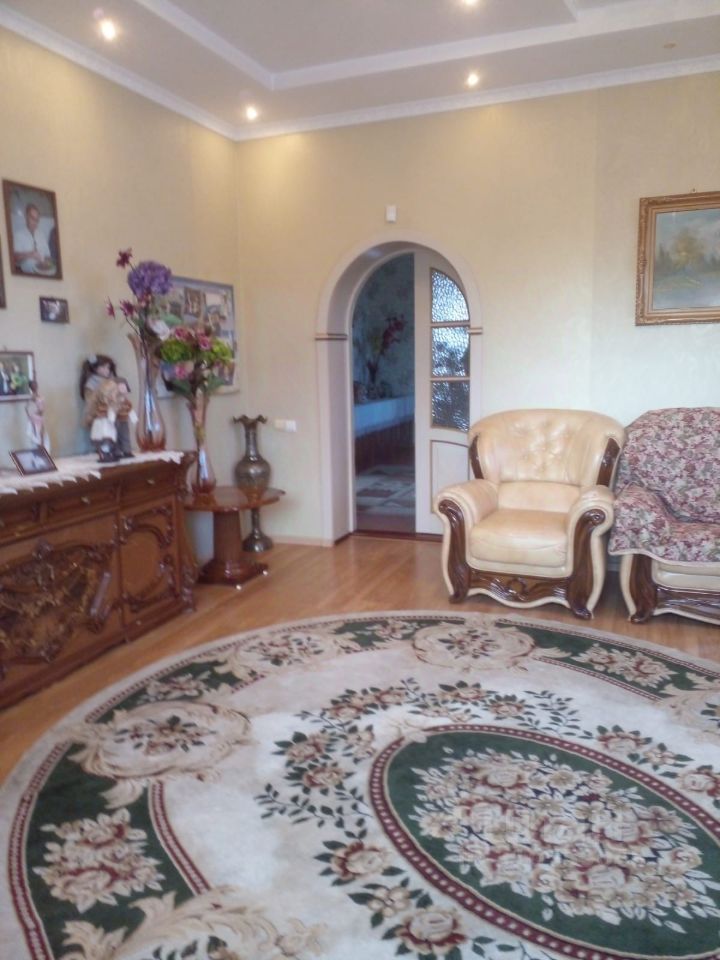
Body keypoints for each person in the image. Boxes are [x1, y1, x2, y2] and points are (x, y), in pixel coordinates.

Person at [79, 354, 120, 458]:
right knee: (101, 434)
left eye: (108, 368)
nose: (107, 370)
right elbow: (90, 401)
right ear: (95, 368)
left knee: (112, 432)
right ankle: (104, 452)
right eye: (104, 367)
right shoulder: (92, 384)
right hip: (99, 414)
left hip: (111, 413)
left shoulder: (111, 382)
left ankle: (114, 450)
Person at [12, 202, 54, 275]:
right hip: (27, 273)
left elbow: (47, 255)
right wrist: (30, 254)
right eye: (32, 218)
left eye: (37, 220)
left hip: (43, 272)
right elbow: (14, 258)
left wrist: (46, 262)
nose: (35, 222)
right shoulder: (18, 235)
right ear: (26, 217)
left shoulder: (41, 234)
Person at [25, 380, 50, 450]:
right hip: (36, 417)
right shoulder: (33, 396)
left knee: (42, 435)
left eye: (35, 384)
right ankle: (40, 450)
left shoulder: (38, 395)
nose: (35, 386)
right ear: (31, 387)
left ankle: (43, 450)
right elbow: (26, 408)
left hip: (40, 417)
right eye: (33, 385)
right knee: (38, 436)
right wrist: (30, 417)